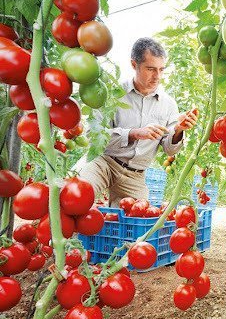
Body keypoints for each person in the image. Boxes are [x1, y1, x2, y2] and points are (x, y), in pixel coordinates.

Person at [74, 37, 198, 207]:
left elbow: (169, 150)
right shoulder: (112, 93)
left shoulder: (168, 104)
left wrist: (178, 130)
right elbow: (93, 136)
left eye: (162, 70)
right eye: (151, 69)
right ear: (134, 64)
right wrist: (133, 133)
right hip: (104, 162)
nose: (157, 76)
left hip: (135, 175)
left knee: (135, 222)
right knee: (77, 195)